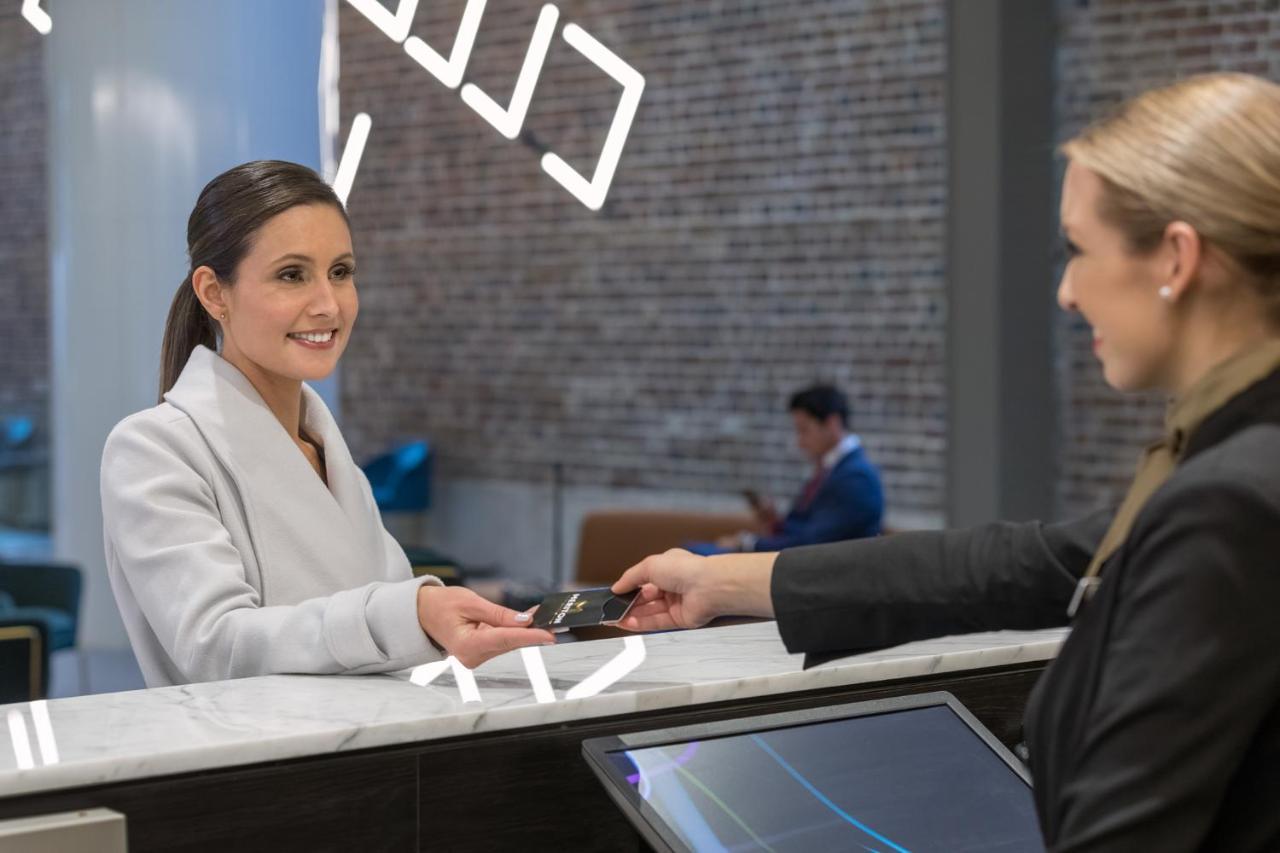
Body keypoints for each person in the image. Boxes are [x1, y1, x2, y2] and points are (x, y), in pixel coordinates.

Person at [612, 72, 1280, 851]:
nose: (1066, 292)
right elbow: (1017, 563)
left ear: (1175, 256)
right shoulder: (1232, 463)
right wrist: (720, 580)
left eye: (1077, 249)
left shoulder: (1230, 504)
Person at [100, 161, 555, 687]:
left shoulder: (326, 449)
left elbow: (388, 623)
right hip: (256, 763)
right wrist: (412, 614)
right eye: (292, 275)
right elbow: (217, 647)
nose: (328, 304)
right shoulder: (152, 448)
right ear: (214, 293)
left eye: (341, 272)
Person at [687, 384, 883, 555]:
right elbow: (807, 530)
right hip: (799, 565)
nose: (800, 442)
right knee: (691, 554)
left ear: (832, 424)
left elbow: (812, 543)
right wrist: (775, 523)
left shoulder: (856, 478)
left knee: (693, 555)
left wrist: (748, 543)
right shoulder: (834, 469)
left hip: (815, 575)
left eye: (804, 430)